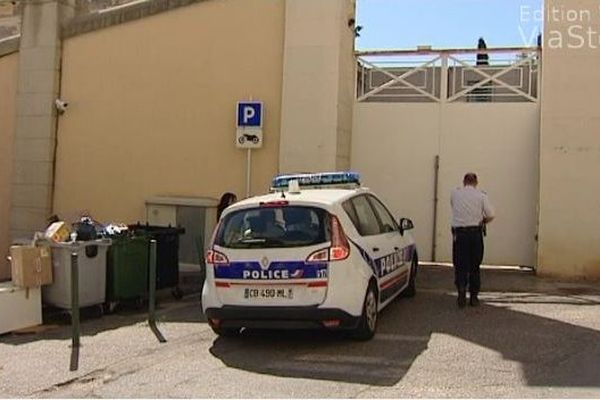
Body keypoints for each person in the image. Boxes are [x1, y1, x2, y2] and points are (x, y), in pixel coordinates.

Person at [450, 173, 495, 308]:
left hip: (460, 235)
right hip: (475, 234)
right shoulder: (481, 195)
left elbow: (454, 207)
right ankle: (474, 297)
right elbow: (491, 215)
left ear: (464, 182)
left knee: (460, 264)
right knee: (475, 265)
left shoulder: (455, 193)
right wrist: (483, 221)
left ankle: (461, 289)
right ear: (476, 182)